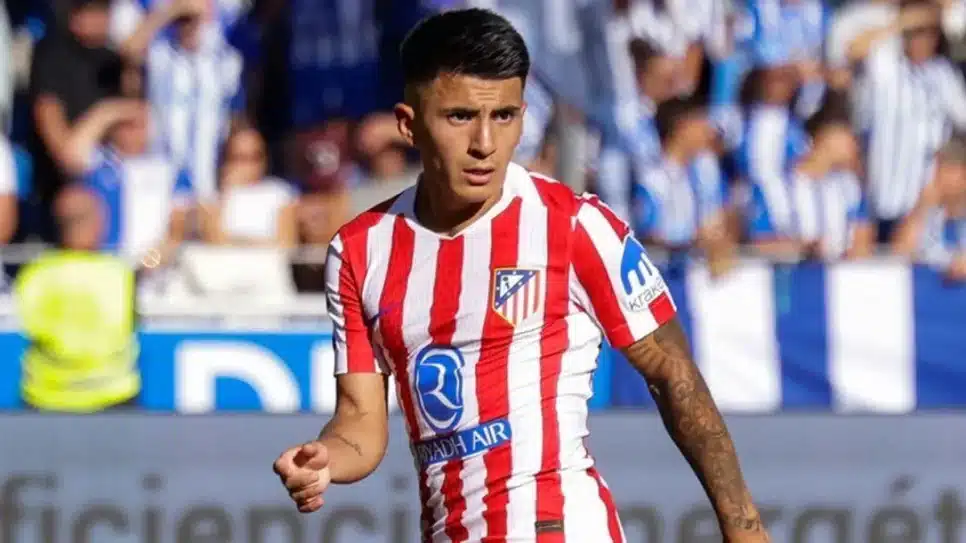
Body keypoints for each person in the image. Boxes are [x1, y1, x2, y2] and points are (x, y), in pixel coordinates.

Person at [272, 8, 770, 542]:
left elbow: (672, 371)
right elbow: (360, 425)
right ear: (408, 124)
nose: (485, 142)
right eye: (460, 117)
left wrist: (744, 527)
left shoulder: (575, 225)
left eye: (505, 116)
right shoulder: (360, 250)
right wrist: (326, 459)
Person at [894, 136, 966, 280]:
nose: (940, 176)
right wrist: (921, 208)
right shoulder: (927, 210)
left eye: (950, 170)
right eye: (939, 168)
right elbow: (900, 253)